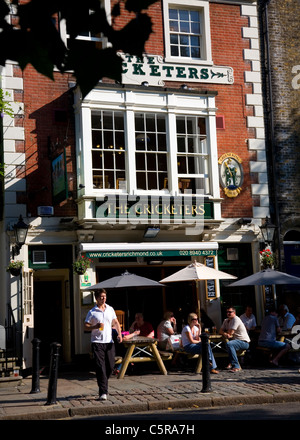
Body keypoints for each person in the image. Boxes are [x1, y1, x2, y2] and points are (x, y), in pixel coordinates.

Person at [84, 289, 122, 400]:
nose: (103, 298)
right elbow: (85, 325)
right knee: (100, 367)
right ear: (96, 298)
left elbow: (116, 322)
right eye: (101, 296)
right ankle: (103, 392)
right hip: (97, 342)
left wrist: (119, 334)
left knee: (110, 366)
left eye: (105, 296)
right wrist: (95, 327)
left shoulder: (110, 309)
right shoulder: (92, 311)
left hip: (109, 341)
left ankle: (103, 381)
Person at [219, 306, 250, 372]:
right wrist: (225, 334)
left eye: (230, 312)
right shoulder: (226, 320)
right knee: (221, 346)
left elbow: (230, 333)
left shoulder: (236, 319)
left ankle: (236, 366)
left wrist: (225, 333)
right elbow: (220, 331)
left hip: (243, 342)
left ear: (234, 312)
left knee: (229, 344)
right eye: (227, 312)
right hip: (235, 341)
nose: (228, 313)